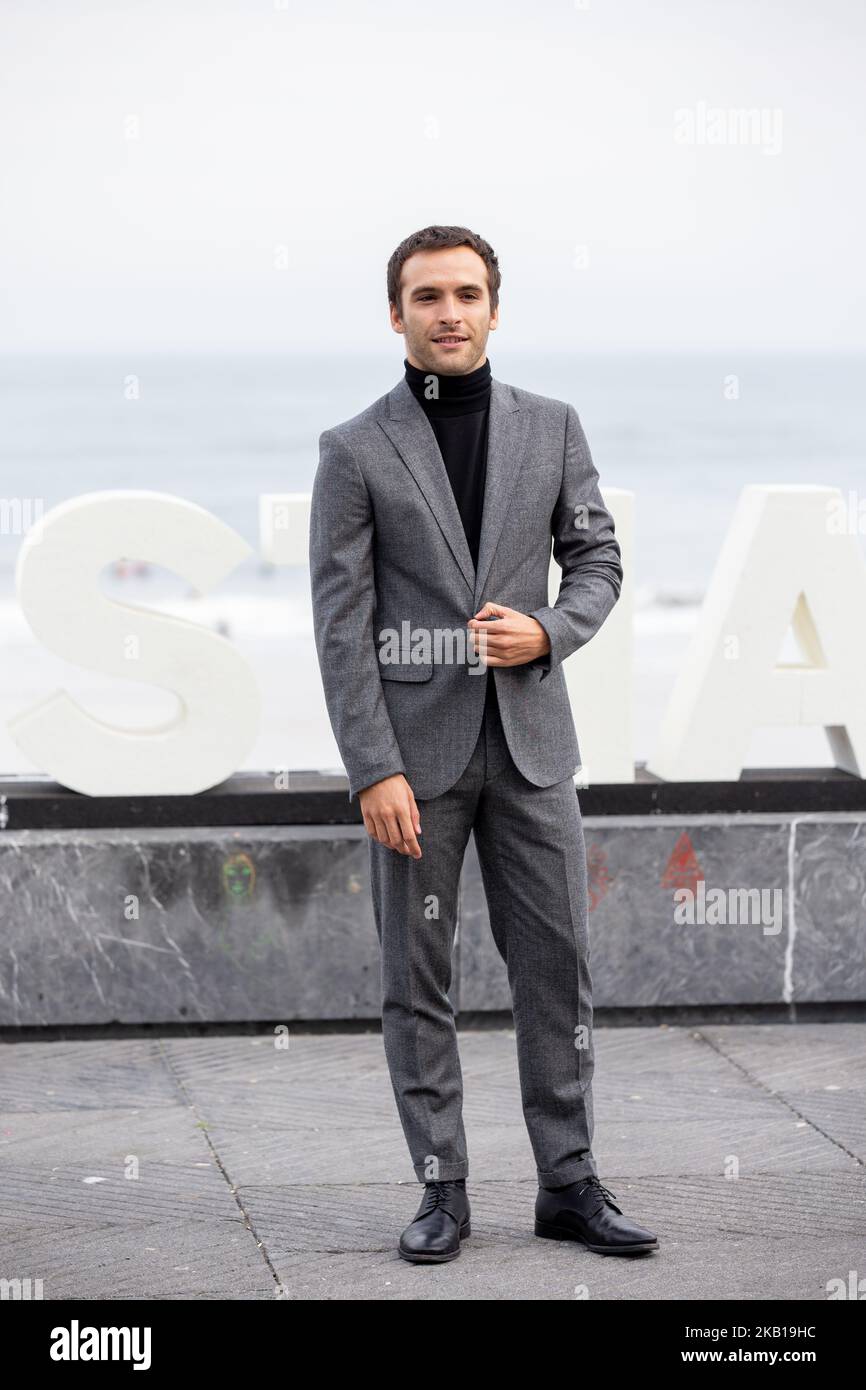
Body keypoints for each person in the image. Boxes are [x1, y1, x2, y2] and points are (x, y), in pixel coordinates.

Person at [309, 224, 658, 1263]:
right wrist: (372, 765)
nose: (448, 312)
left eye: (466, 293)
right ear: (395, 315)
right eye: (426, 296)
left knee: (558, 969)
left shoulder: (552, 428)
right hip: (414, 764)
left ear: (494, 309)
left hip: (534, 750)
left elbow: (595, 557)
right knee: (415, 977)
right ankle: (440, 1190)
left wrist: (548, 627)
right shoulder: (354, 448)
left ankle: (568, 1184)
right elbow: (340, 622)